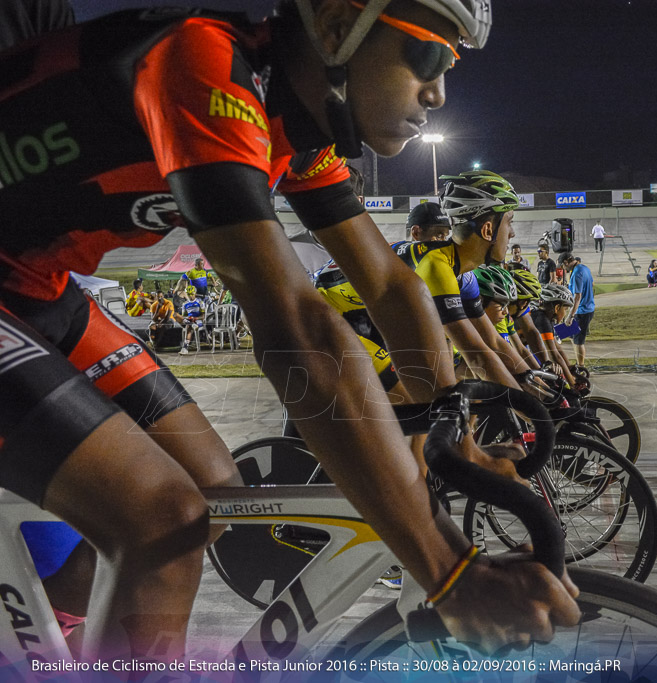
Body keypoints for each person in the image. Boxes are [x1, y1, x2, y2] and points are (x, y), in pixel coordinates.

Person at [0, 1, 578, 665]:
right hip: (22, 287)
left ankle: (54, 648)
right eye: (426, 56)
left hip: (34, 288)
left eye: (450, 66)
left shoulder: (292, 125)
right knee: (162, 515)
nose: (439, 91)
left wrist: (452, 427)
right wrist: (447, 569)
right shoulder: (202, 63)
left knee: (211, 490)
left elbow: (389, 285)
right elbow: (298, 327)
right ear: (336, 27)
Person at [560, 253, 595, 368]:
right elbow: (592, 284)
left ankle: (581, 366)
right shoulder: (584, 268)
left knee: (579, 341)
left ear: (566, 262)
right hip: (587, 308)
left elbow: (577, 297)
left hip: (582, 311)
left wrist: (570, 315)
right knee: (569, 335)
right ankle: (577, 362)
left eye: (563, 267)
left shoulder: (576, 274)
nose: (564, 270)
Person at [177, 285, 205, 354]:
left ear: (195, 293)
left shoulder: (200, 302)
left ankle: (185, 347)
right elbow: (184, 316)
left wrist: (196, 318)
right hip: (188, 320)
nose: (190, 296)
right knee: (176, 315)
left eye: (192, 294)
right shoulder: (185, 304)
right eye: (189, 294)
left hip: (198, 320)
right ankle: (191, 324)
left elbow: (203, 316)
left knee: (188, 327)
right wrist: (188, 318)